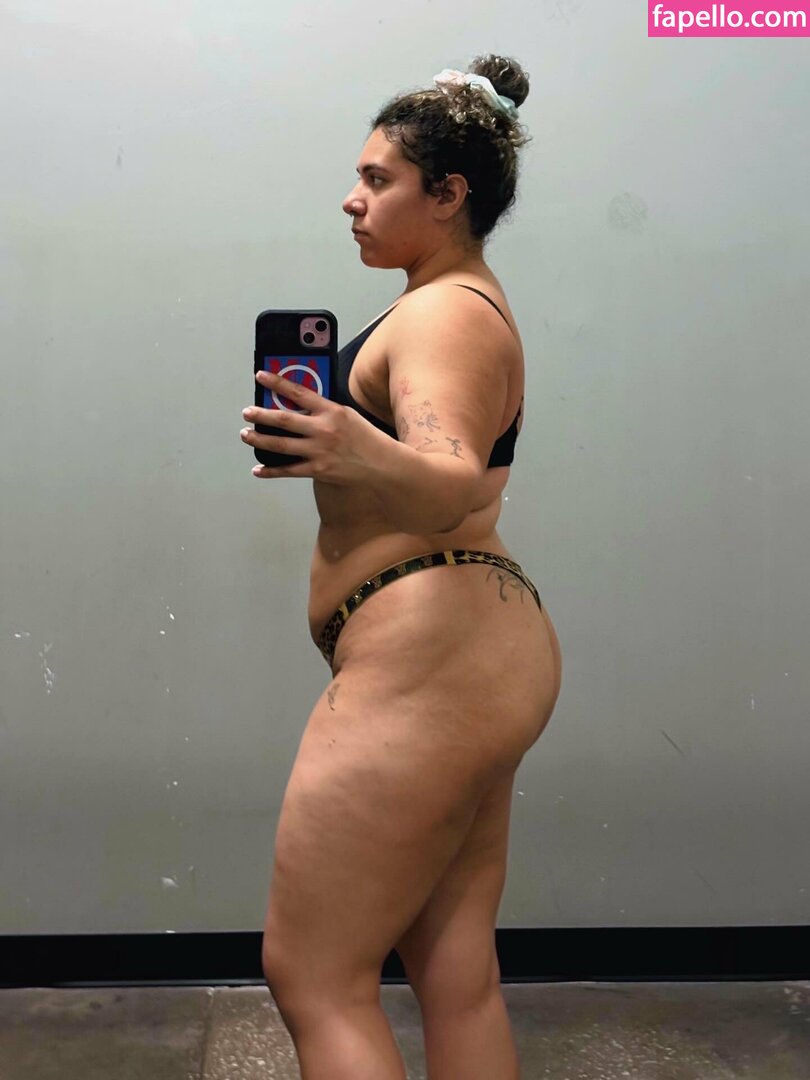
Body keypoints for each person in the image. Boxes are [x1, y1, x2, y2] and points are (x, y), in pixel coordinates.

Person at [240, 53, 562, 1080]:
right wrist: (342, 447)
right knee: (453, 967)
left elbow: (448, 481)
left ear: (449, 193)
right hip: (475, 656)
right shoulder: (454, 301)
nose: (354, 198)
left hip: (436, 665)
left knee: (314, 973)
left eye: (378, 179)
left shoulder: (443, 313)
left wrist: (350, 446)